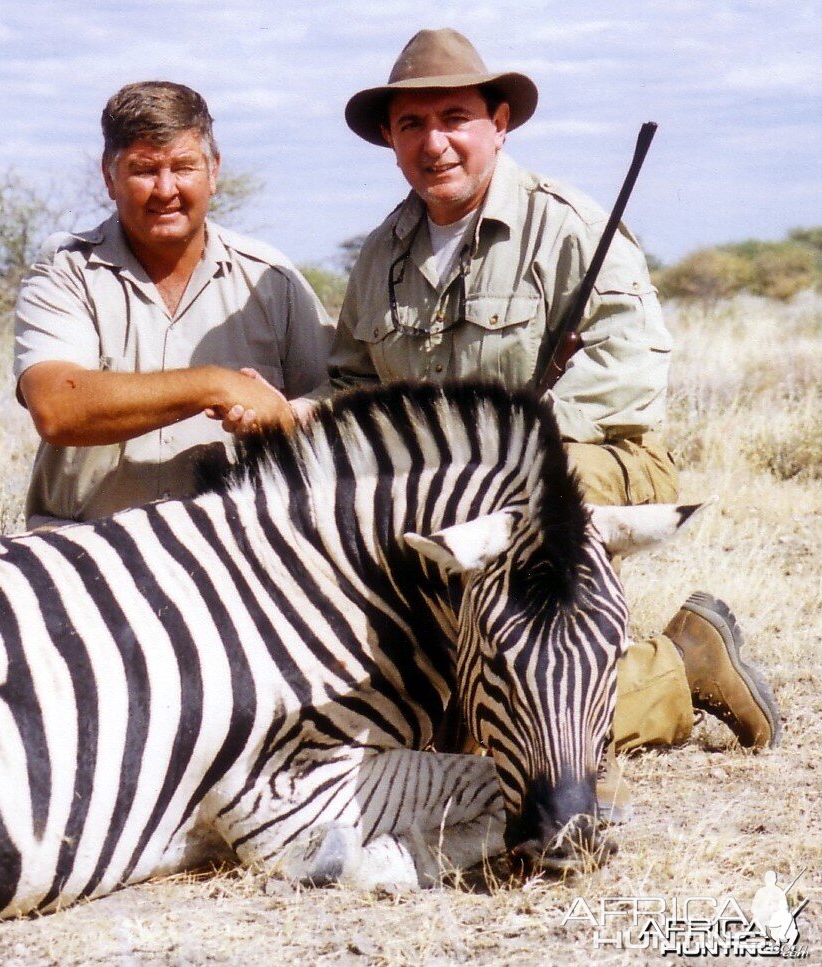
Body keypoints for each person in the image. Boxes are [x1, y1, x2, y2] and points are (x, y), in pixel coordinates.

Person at [331, 28, 781, 795]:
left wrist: (501, 461)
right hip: (457, 497)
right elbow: (351, 384)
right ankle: (657, 664)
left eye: (454, 118)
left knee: (480, 725)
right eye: (412, 124)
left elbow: (629, 368)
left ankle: (675, 673)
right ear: (389, 138)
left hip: (594, 461)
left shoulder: (566, 223)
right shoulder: (383, 253)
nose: (434, 142)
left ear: (498, 123)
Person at [14, 81, 331, 527]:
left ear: (214, 171)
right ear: (109, 176)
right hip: (82, 554)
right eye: (144, 170)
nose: (165, 190)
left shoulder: (271, 278)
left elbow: (336, 397)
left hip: (236, 556)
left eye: (184, 167)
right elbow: (56, 408)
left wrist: (285, 417)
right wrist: (215, 386)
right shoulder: (67, 270)